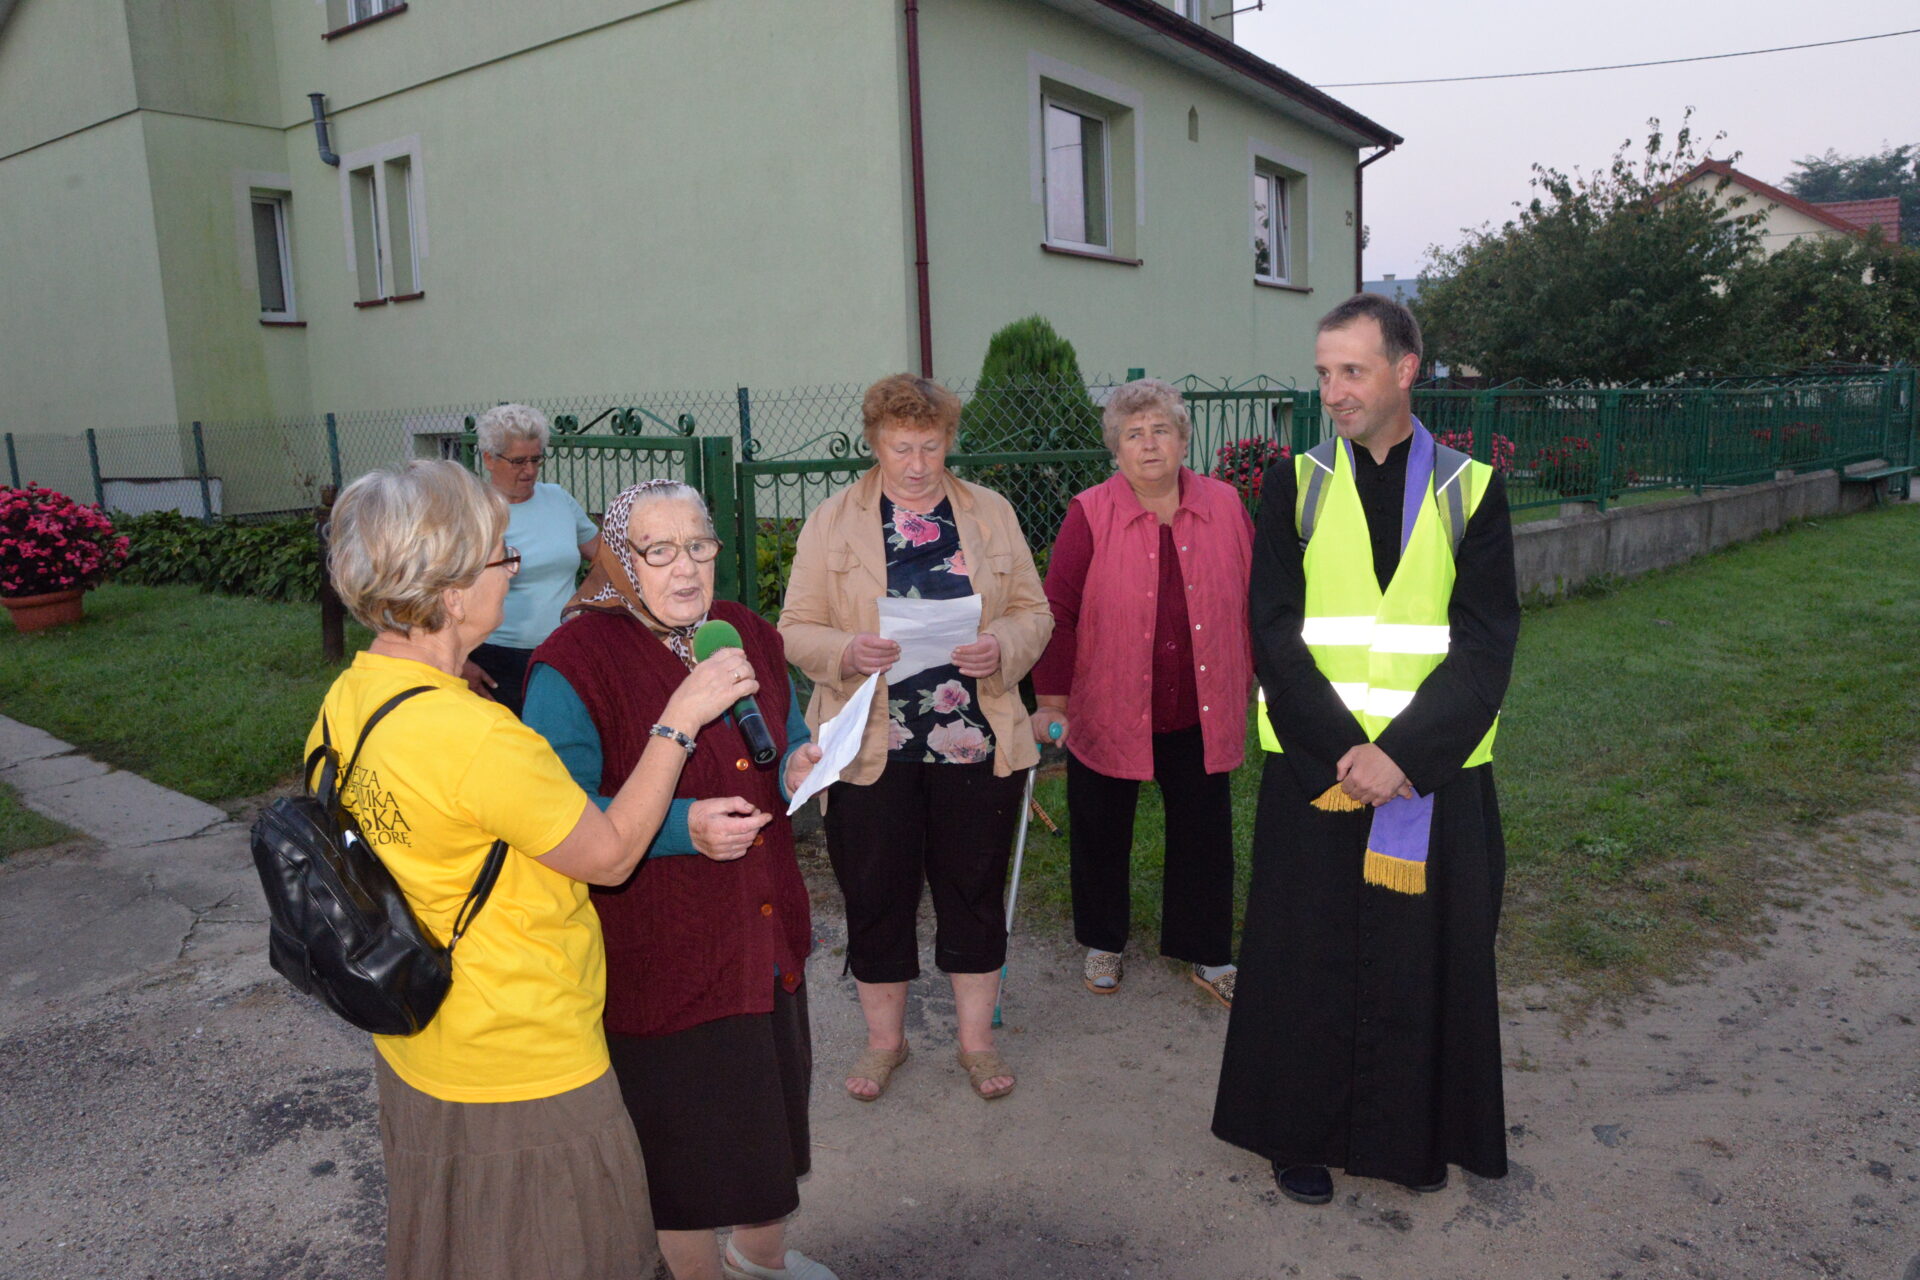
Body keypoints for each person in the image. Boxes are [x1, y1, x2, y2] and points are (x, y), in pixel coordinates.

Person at [313, 459, 754, 1280]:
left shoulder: (357, 695)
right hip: (521, 1059)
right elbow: (610, 856)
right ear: (450, 592)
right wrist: (679, 720)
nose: (513, 572)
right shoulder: (478, 738)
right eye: (500, 556)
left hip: (421, 1039)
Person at [1212, 294, 1520, 1205]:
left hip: (1433, 778)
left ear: (1405, 369)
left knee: (1421, 961)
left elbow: (1485, 645)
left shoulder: (1472, 490)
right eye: (1323, 373)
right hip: (1319, 771)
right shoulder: (1294, 485)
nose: (1334, 391)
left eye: (1352, 370)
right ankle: (1295, 1134)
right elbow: (1273, 631)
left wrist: (1405, 756)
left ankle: (1408, 1138)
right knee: (1304, 960)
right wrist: (1349, 750)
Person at [523, 480, 834, 1280]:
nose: (687, 568)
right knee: (682, 1146)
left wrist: (801, 765)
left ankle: (760, 1261)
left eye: (699, 546)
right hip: (662, 945)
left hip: (762, 929)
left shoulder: (743, 632)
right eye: (659, 551)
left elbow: (785, 734)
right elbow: (555, 813)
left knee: (767, 1114)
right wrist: (679, 827)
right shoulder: (572, 662)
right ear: (620, 560)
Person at [779, 373, 1052, 1103]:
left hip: (975, 738)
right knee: (876, 892)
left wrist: (1001, 645)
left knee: (973, 889)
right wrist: (846, 650)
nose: (917, 464)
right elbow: (795, 628)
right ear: (875, 443)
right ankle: (884, 1044)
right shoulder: (831, 521)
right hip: (870, 744)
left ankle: (977, 1043)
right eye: (901, 448)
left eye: (930, 447)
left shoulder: (990, 513)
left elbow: (1035, 611)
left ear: (948, 442)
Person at [1028, 378, 1254, 1007]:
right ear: (1116, 448)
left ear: (1183, 439)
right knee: (1101, 830)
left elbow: (1257, 597)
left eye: (1161, 430)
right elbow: (1059, 610)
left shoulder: (1226, 505)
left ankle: (1207, 951)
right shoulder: (1089, 512)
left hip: (1200, 704)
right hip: (1110, 700)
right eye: (1134, 434)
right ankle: (1104, 941)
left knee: (1204, 833)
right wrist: (1051, 701)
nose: (1149, 444)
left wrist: (1272, 680)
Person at [461, 403, 600, 716]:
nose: (530, 471)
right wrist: (461, 662)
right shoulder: (471, 512)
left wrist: (587, 601)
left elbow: (606, 558)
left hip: (564, 651)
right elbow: (436, 591)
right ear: (489, 459)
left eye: (536, 459)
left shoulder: (558, 499)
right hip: (497, 658)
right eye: (518, 461)